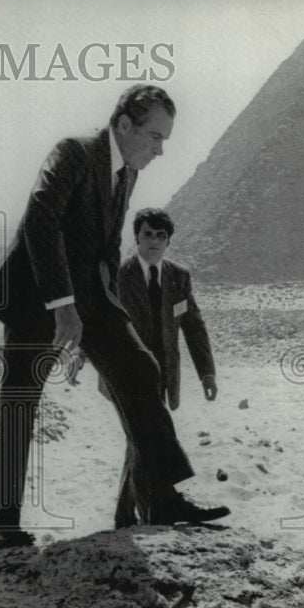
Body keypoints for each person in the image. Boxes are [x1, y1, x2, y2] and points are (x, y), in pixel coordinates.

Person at [0, 84, 228, 554]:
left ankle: (161, 499)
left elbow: (106, 246)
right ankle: (1, 526)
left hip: (90, 299)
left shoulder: (128, 171)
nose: (161, 149)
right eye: (155, 136)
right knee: (20, 404)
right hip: (37, 295)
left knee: (140, 368)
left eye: (165, 139)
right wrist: (63, 306)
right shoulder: (74, 152)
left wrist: (106, 316)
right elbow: (40, 219)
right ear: (123, 124)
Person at [113, 207, 221, 527]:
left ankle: (125, 514)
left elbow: (194, 326)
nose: (154, 242)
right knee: (152, 436)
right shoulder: (120, 275)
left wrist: (207, 372)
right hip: (127, 374)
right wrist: (81, 357)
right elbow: (103, 321)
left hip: (164, 375)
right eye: (148, 234)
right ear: (136, 237)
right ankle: (159, 511)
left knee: (141, 440)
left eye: (161, 236)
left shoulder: (179, 277)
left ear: (169, 241)